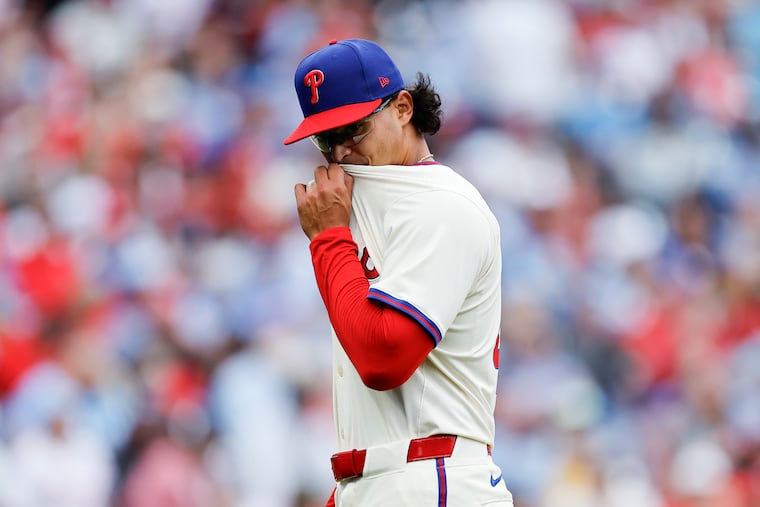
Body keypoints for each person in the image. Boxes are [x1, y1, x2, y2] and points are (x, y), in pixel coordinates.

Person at [283, 38, 512, 507]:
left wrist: (328, 239)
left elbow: (383, 360)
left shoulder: (444, 204)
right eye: (328, 139)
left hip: (434, 474)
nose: (343, 152)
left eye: (355, 129)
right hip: (380, 479)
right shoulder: (363, 200)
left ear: (403, 108)